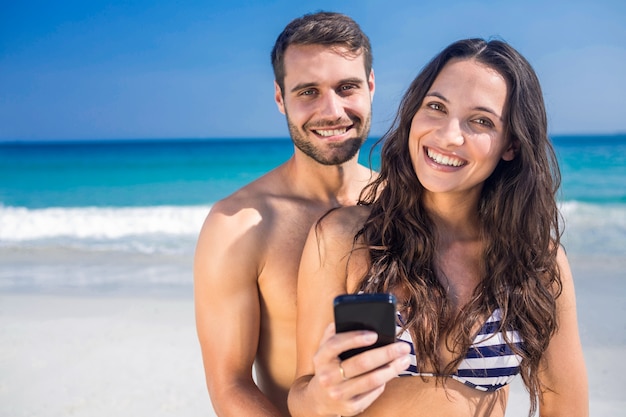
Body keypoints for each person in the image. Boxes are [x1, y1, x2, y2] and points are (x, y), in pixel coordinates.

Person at [288, 38, 588, 416]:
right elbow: (301, 398)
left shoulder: (537, 261)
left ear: (510, 143)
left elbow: (566, 405)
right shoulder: (346, 238)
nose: (448, 135)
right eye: (436, 107)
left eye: (480, 121)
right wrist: (321, 397)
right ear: (414, 113)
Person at [193, 11, 376, 416]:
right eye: (308, 92)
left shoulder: (410, 203)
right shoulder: (238, 224)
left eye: (347, 87)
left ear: (371, 86)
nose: (332, 110)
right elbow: (230, 385)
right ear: (280, 98)